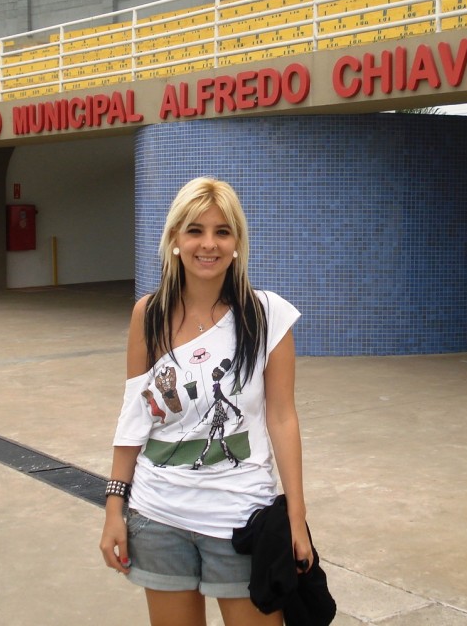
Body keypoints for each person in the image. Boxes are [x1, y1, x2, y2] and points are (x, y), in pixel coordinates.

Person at [99, 176, 312, 626]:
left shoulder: (266, 314)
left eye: (222, 231)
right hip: (157, 517)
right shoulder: (149, 314)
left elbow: (282, 418)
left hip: (240, 520)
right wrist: (114, 508)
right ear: (175, 238)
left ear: (237, 242)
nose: (208, 244)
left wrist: (297, 517)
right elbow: (134, 417)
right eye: (195, 230)